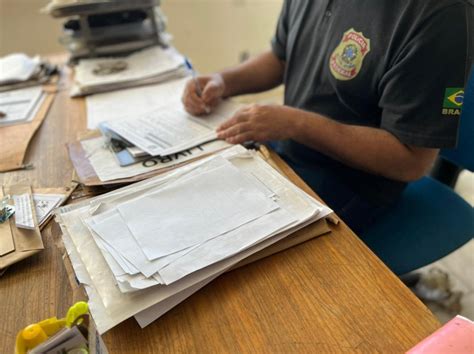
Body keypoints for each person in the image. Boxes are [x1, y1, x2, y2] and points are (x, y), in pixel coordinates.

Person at [181, 0, 470, 233]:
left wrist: (297, 124)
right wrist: (223, 80)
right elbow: (281, 56)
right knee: (191, 202)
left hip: (352, 184)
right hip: (286, 152)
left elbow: (411, 162)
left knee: (224, 240)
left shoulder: (442, 17)